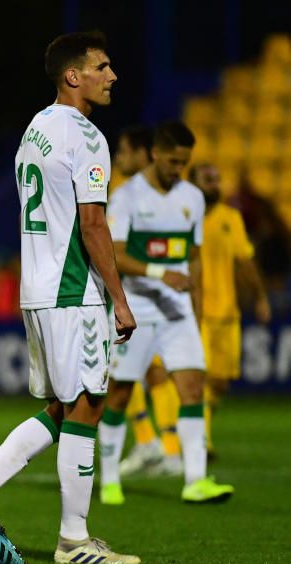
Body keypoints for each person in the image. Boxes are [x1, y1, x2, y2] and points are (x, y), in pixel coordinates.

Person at [0, 31, 141, 564]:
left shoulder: (36, 128)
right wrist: (119, 299)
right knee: (89, 405)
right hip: (73, 289)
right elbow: (93, 225)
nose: (112, 75)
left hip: (38, 286)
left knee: (62, 405)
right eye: (102, 66)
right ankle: (74, 540)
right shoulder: (86, 135)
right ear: (73, 76)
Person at [96, 122, 235, 505]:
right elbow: (117, 254)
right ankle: (109, 480)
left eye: (184, 163)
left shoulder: (191, 196)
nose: (179, 169)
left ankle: (195, 480)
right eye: (174, 161)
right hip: (136, 310)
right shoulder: (127, 197)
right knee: (120, 395)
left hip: (177, 313)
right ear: (156, 154)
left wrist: (198, 306)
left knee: (192, 388)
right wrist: (161, 273)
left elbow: (193, 257)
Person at [110, 126, 184, 483]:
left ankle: (157, 445)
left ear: (143, 153)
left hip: (141, 295)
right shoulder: (134, 193)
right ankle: (161, 446)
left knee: (130, 373)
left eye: (123, 150)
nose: (117, 158)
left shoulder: (142, 195)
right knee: (147, 371)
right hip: (141, 293)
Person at [188, 163, 271, 456]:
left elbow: (245, 262)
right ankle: (201, 442)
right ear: (194, 184)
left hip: (228, 313)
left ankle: (194, 432)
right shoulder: (184, 218)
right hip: (197, 313)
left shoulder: (230, 218)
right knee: (200, 379)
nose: (215, 184)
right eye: (208, 179)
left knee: (220, 383)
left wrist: (260, 297)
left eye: (217, 179)